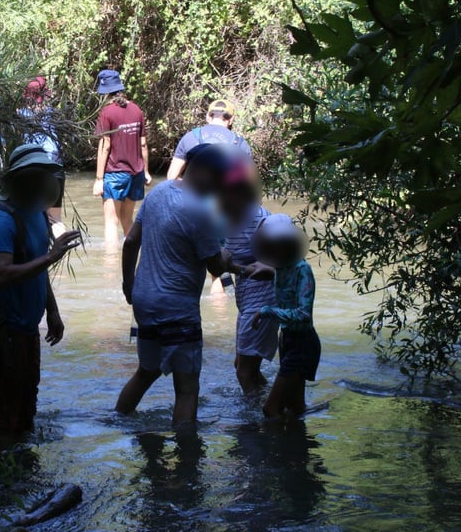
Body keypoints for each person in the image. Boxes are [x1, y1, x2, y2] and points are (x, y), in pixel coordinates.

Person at [115, 143, 234, 429]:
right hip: (177, 308)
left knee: (146, 371)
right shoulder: (199, 212)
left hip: (145, 302)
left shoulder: (157, 193)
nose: (219, 190)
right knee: (187, 387)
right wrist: (228, 257)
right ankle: (186, 458)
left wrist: (129, 284)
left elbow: (131, 241)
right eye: (218, 182)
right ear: (204, 173)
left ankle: (117, 420)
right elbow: (215, 267)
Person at [0, 144, 82, 447]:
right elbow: (0, 273)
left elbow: (36, 268)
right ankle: (1, 477)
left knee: (26, 403)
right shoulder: (2, 220)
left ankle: (23, 476)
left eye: (46, 175)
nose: (43, 181)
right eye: (37, 175)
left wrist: (53, 311)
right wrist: (51, 257)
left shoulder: (37, 215)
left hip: (27, 328)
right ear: (21, 179)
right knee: (3, 407)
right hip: (3, 329)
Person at [249, 214, 320, 418]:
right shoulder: (281, 268)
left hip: (303, 343)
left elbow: (303, 314)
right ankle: (298, 447)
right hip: (287, 340)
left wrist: (267, 311)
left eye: (279, 244)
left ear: (289, 244)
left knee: (270, 409)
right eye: (271, 245)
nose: (274, 249)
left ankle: (275, 449)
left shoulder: (302, 270)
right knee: (295, 408)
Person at [220, 167, 278, 395]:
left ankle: (257, 423)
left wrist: (234, 267)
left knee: (244, 372)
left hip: (263, 302)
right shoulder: (226, 219)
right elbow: (219, 261)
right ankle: (272, 399)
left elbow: (286, 264)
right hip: (246, 302)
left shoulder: (263, 220)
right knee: (244, 367)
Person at [92, 70, 150, 245]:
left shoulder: (107, 113)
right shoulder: (136, 109)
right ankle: (132, 263)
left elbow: (105, 145)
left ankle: (110, 269)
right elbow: (143, 144)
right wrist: (146, 171)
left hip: (115, 174)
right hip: (136, 173)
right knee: (127, 220)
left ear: (104, 92)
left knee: (111, 222)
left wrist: (99, 179)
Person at [18, 76, 66, 234]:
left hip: (35, 167)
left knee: (33, 217)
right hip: (55, 165)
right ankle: (61, 248)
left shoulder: (21, 115)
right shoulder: (53, 114)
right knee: (55, 219)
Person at [166, 100, 251, 181]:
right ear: (231, 119)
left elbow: (171, 178)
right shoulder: (240, 143)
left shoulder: (190, 137)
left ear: (208, 117)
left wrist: (187, 185)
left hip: (192, 193)